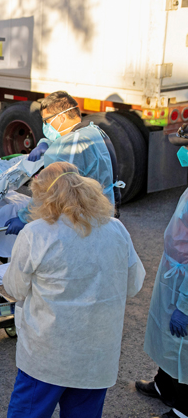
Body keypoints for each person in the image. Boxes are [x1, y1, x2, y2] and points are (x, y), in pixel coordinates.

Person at [3, 161, 145, 418]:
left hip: (47, 353)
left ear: (45, 196)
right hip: (96, 354)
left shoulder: (37, 233)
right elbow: (133, 285)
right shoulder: (116, 229)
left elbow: (15, 289)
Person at [5, 91, 121, 235]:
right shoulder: (91, 131)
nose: (45, 126)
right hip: (102, 211)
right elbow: (69, 145)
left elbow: (50, 188)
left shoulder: (71, 144)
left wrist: (24, 218)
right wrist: (45, 143)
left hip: (85, 221)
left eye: (46, 121)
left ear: (61, 118)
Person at [135, 129, 188, 418]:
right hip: (175, 273)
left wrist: (185, 305)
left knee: (183, 345)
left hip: (185, 283)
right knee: (166, 337)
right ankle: (163, 386)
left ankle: (183, 409)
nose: (183, 152)